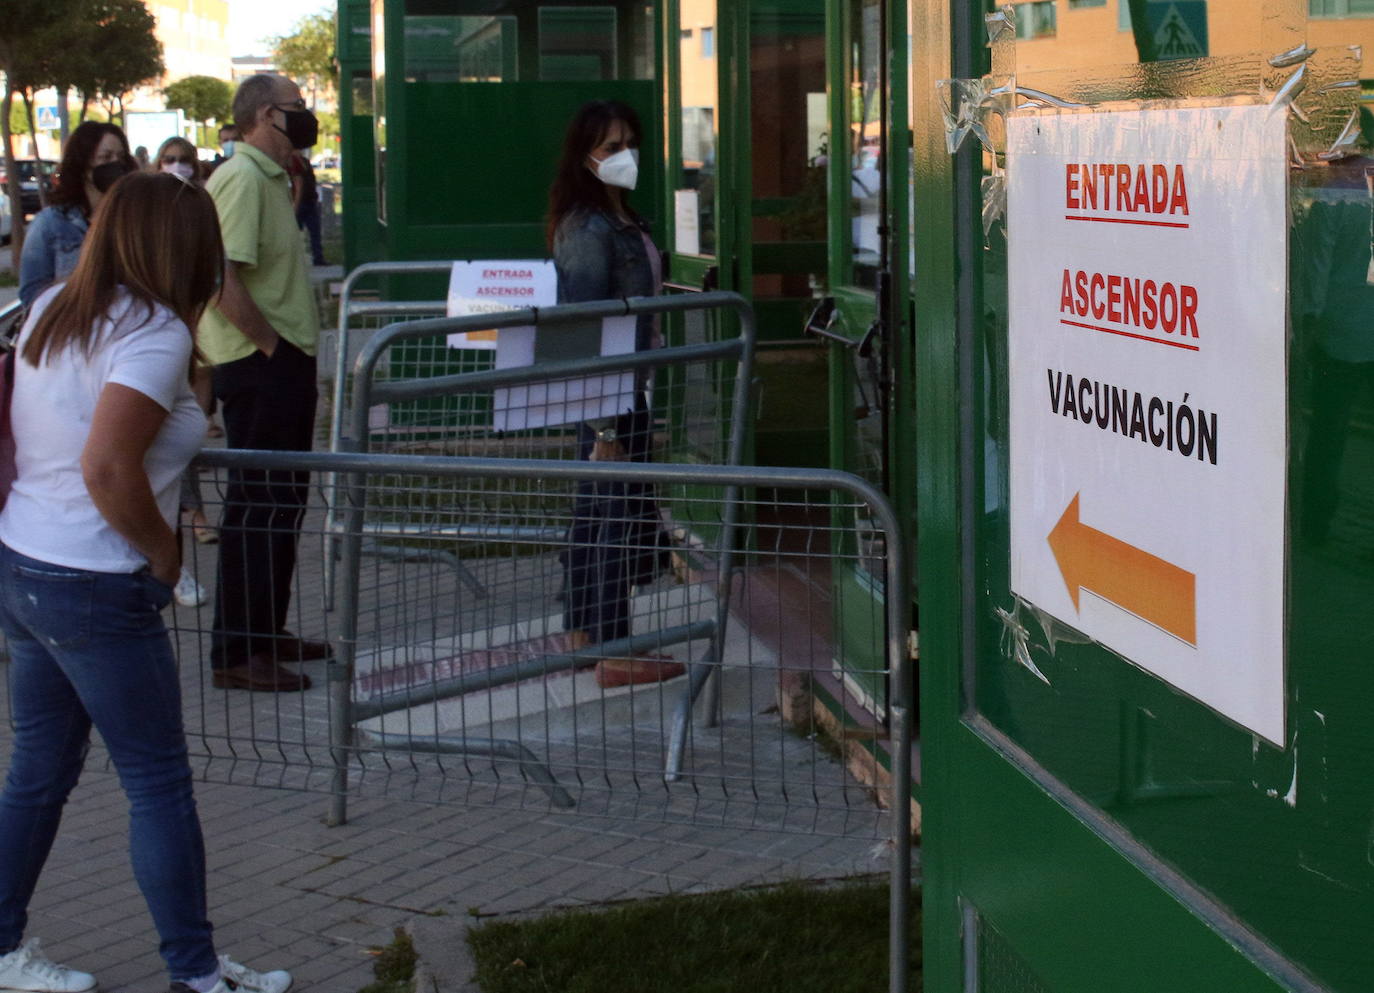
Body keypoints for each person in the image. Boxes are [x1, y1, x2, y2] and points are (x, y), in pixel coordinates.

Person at [0, 171, 294, 993]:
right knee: (157, 782)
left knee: (38, 771)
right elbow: (105, 465)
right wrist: (165, 554)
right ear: (180, 247)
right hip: (94, 581)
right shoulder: (153, 329)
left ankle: (2, 949)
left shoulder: (57, 305)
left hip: (25, 563)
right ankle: (197, 973)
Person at [200, 73, 328, 692]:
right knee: (257, 505)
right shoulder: (243, 178)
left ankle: (264, 630)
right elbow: (221, 276)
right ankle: (236, 650)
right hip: (260, 366)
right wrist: (272, 348)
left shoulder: (273, 179)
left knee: (283, 503)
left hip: (282, 362)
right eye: (295, 110)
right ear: (262, 116)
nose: (305, 118)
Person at [546, 99, 680, 689]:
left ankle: (584, 633)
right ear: (585, 157)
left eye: (630, 141)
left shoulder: (623, 217)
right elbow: (583, 328)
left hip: (628, 388)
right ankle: (615, 650)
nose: (625, 155)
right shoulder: (586, 227)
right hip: (608, 395)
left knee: (598, 511)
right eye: (610, 147)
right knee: (613, 517)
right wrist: (601, 426)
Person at [18, 122, 137, 309]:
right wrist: (80, 284)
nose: (115, 164)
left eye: (120, 157)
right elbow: (31, 295)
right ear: (82, 165)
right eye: (105, 157)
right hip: (73, 331)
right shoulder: (50, 223)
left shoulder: (134, 219)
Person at [288, 151, 327, 266]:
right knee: (303, 232)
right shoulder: (296, 161)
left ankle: (317, 257)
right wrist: (295, 205)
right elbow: (298, 185)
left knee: (313, 232)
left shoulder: (303, 161)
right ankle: (315, 257)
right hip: (302, 202)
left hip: (308, 201)